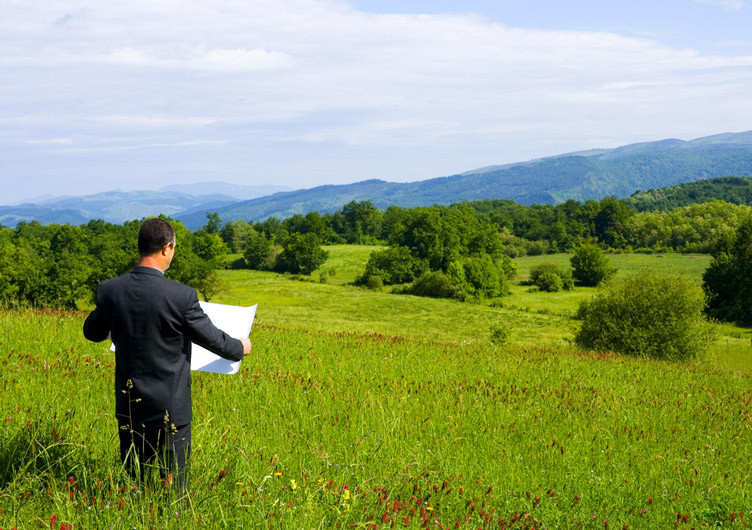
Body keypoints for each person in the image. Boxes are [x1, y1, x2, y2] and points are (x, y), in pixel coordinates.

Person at [83, 218, 251, 491]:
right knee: (173, 485)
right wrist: (238, 348)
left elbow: (92, 332)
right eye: (173, 248)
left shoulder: (110, 290)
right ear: (165, 248)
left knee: (134, 478)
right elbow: (211, 337)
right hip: (170, 408)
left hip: (129, 404)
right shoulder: (181, 296)